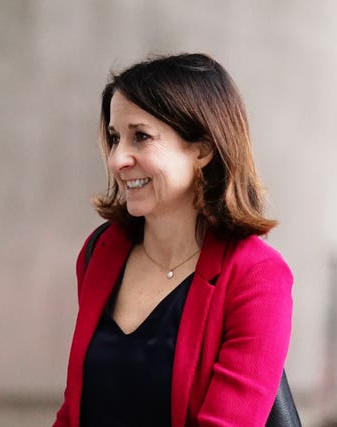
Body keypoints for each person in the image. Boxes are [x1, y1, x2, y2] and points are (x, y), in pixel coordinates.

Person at [53, 53, 294, 427]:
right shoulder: (101, 251)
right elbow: (74, 413)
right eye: (115, 138)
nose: (117, 160)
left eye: (141, 137)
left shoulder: (256, 275)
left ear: (202, 149)